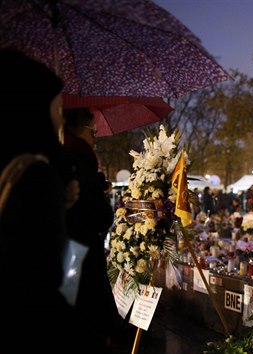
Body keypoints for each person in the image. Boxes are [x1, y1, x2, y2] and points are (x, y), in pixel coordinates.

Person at [0, 49, 101, 352]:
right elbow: (44, 278)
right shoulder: (36, 175)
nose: (59, 120)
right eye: (56, 110)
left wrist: (62, 206)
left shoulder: (13, 166)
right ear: (33, 111)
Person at [63, 107, 119, 350]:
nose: (95, 138)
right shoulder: (80, 158)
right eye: (93, 132)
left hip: (68, 256)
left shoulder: (62, 155)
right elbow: (99, 216)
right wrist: (95, 187)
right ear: (80, 130)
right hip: (80, 254)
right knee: (89, 325)